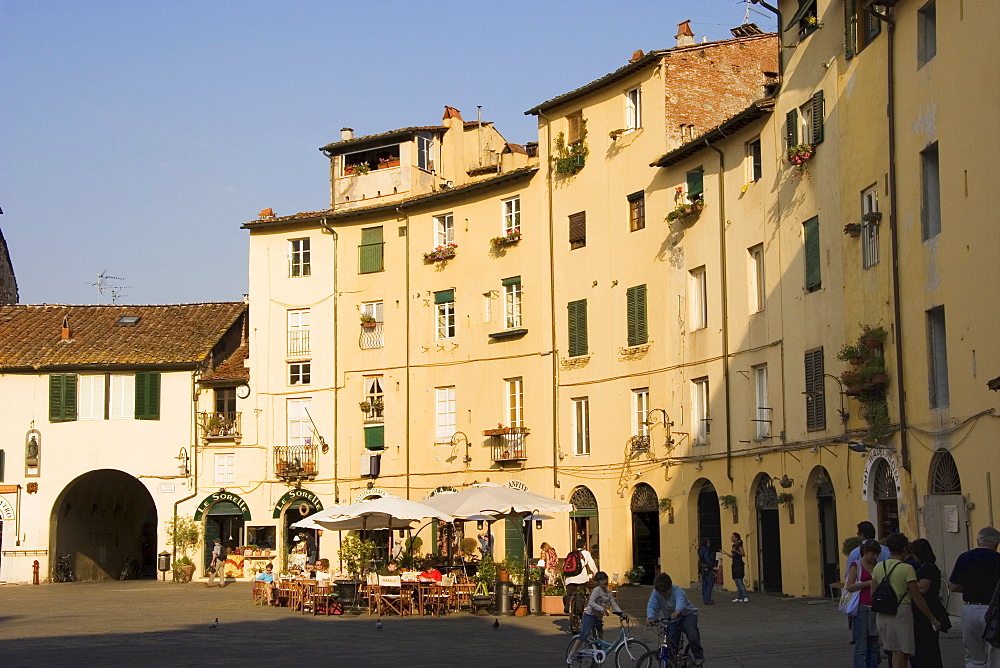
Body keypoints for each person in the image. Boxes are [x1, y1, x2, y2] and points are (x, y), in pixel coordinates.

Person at [873, 532, 940, 668]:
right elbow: (917, 597)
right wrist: (932, 618)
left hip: (883, 614)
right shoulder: (906, 568)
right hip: (901, 614)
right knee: (901, 653)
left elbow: (873, 592)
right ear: (904, 548)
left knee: (893, 653)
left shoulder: (879, 566)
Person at [948, 526, 1000, 668]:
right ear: (997, 544)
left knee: (973, 656)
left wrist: (971, 587)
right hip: (995, 611)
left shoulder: (965, 557)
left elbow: (953, 586)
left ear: (978, 540)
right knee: (995, 655)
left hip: (970, 609)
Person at [646, 571, 705, 666]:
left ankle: (698, 655)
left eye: (665, 592)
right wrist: (651, 617)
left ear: (670, 588)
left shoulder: (678, 591)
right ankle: (671, 663)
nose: (663, 595)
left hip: (687, 615)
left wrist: (678, 611)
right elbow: (652, 606)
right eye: (660, 593)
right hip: (672, 619)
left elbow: (681, 601)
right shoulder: (656, 593)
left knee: (691, 632)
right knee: (671, 643)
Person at [565, 571, 625, 665]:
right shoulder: (597, 590)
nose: (604, 581)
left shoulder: (608, 593)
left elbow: (613, 604)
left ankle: (595, 663)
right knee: (585, 633)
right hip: (590, 616)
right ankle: (572, 653)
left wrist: (621, 613)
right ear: (597, 582)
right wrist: (602, 609)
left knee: (599, 642)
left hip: (598, 619)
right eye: (602, 580)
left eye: (605, 579)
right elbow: (591, 603)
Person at [908, 538, 949, 667]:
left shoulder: (928, 569)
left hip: (927, 611)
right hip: (926, 611)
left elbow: (922, 588)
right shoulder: (926, 567)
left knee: (926, 647)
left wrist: (909, 581)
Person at [846, 539, 881, 668]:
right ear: (865, 552)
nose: (874, 556)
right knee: (861, 646)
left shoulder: (877, 565)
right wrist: (867, 584)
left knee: (874, 645)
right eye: (872, 553)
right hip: (861, 607)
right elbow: (849, 586)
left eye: (876, 554)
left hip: (875, 607)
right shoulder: (857, 565)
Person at [563, 538, 598, 614]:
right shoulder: (586, 553)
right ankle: (585, 606)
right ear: (584, 545)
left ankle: (568, 606)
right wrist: (596, 574)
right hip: (581, 579)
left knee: (570, 593)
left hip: (569, 580)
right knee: (585, 591)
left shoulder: (571, 554)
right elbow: (592, 566)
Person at [720, 532, 748, 602]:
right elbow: (733, 556)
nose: (731, 538)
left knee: (740, 581)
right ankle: (739, 597)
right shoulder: (733, 546)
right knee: (736, 582)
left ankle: (745, 596)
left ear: (736, 538)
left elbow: (743, 554)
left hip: (739, 565)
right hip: (734, 564)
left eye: (732, 537)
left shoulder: (739, 545)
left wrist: (736, 551)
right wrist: (725, 553)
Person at [697, 538, 716, 605]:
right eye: (708, 543)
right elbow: (707, 559)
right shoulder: (706, 550)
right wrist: (711, 565)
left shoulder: (700, 550)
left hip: (702, 568)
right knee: (710, 583)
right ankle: (708, 599)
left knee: (704, 584)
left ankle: (705, 599)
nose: (709, 544)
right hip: (707, 568)